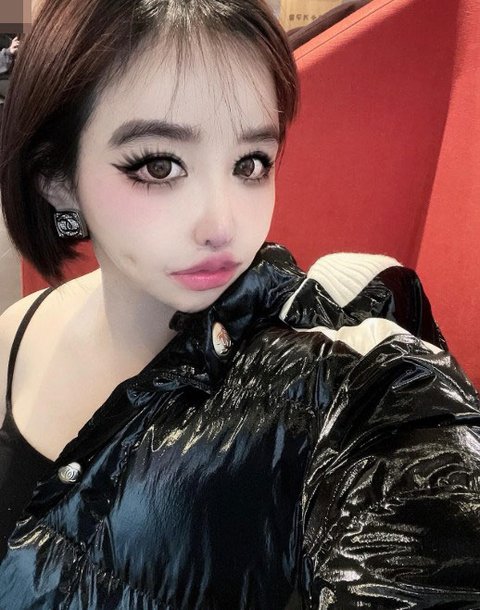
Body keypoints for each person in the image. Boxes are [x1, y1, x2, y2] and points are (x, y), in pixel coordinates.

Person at [0, 0, 479, 607]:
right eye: (159, 165)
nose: (222, 225)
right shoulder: (18, 331)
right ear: (58, 178)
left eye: (251, 164)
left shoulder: (345, 382)